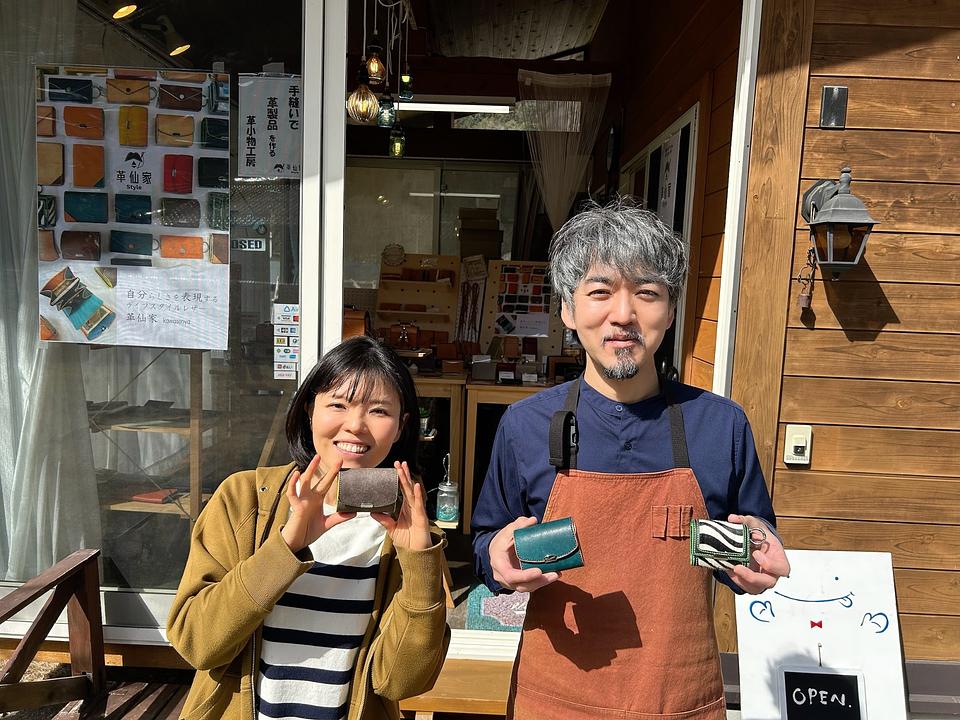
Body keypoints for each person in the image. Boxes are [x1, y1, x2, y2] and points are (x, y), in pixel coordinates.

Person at [472, 198, 790, 720]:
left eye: (647, 293)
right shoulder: (525, 426)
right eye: (600, 292)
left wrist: (757, 557)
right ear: (568, 310)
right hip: (553, 702)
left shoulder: (720, 426)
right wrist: (498, 561)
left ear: (670, 310)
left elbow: (750, 543)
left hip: (680, 701)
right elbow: (485, 543)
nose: (623, 314)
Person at [168, 336, 449, 720]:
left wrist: (419, 564)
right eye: (338, 405)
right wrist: (286, 547)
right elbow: (197, 644)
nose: (355, 426)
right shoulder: (244, 500)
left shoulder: (410, 534)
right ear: (308, 410)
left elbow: (399, 684)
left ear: (401, 427)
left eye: (378, 411)